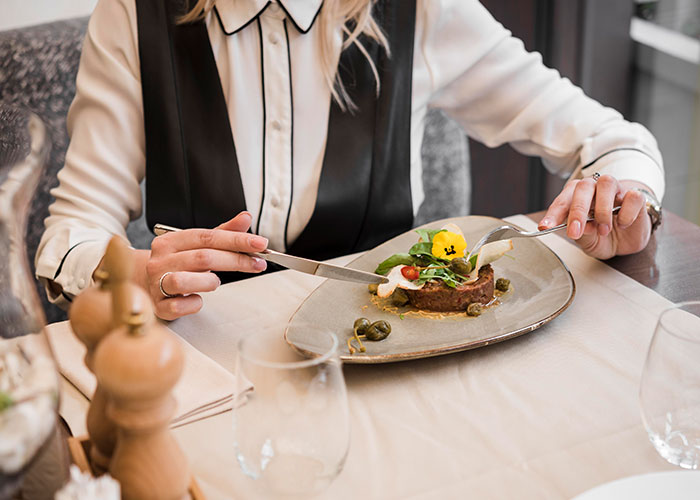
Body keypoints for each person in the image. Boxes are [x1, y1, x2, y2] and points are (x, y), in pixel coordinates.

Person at [35, 0, 665, 321]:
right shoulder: (132, 14)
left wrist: (620, 201)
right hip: (206, 376)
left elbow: (615, 141)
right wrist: (129, 274)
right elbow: (71, 231)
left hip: (392, 366)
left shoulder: (422, 9)